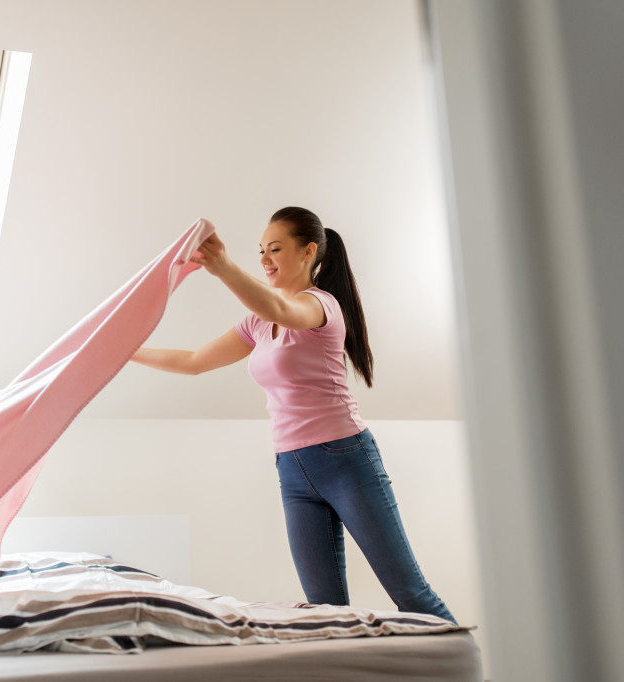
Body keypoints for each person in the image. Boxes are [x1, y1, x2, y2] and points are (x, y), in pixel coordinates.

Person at [131, 207, 456, 623]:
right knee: (324, 611)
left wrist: (224, 267)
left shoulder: (320, 306)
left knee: (411, 594)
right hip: (292, 470)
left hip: (346, 459)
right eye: (261, 250)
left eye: (276, 249)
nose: (265, 258)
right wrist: (124, 353)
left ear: (308, 252)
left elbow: (282, 311)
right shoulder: (256, 323)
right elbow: (194, 360)